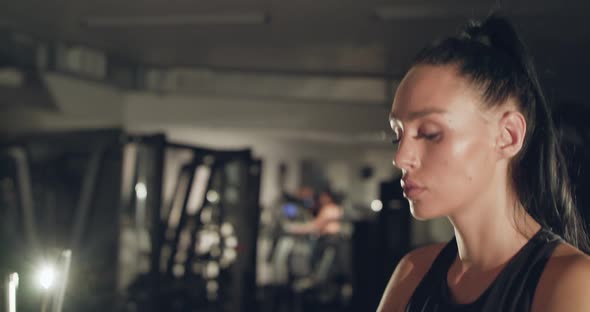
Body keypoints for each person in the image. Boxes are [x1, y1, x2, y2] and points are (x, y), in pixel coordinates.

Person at [377, 15, 590, 312]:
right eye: (397, 136)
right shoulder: (413, 273)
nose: (400, 158)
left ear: (507, 136)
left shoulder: (570, 281)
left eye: (430, 133)